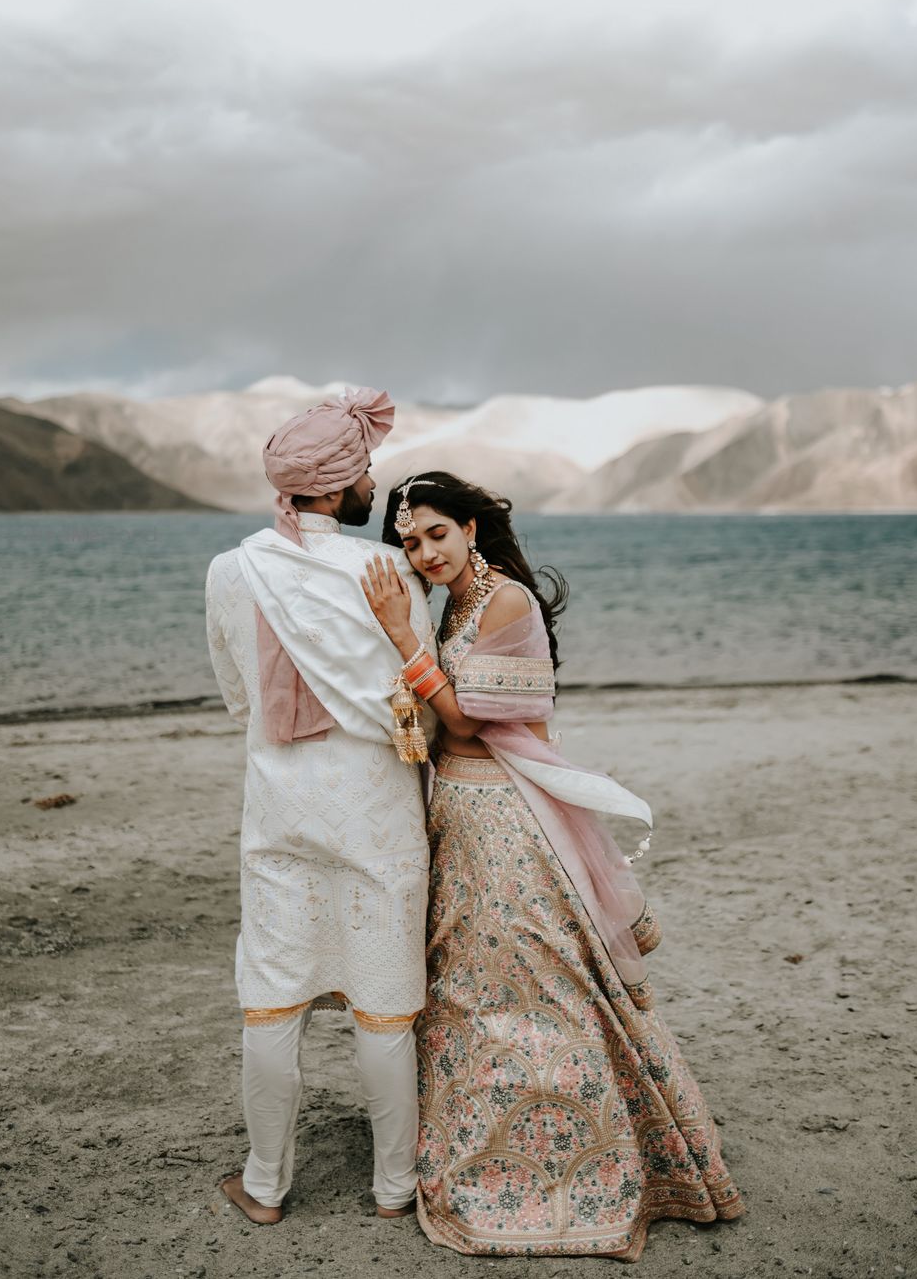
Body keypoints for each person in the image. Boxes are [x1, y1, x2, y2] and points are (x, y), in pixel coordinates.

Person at [360, 471, 744, 1261]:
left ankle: (582, 1159)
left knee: (538, 984)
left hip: (504, 818)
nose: (424, 552)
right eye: (409, 541)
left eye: (436, 533)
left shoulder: (505, 602)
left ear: (471, 527)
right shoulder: (456, 601)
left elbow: (467, 723)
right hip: (458, 819)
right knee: (467, 986)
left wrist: (403, 637)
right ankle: (485, 1139)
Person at [205, 389, 437, 1226]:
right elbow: (418, 696)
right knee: (384, 1005)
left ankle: (265, 1185)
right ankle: (393, 1190)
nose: (374, 482)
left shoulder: (231, 570)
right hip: (376, 809)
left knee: (272, 998)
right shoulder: (393, 573)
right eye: (366, 471)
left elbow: (238, 699)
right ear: (340, 489)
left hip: (279, 810)